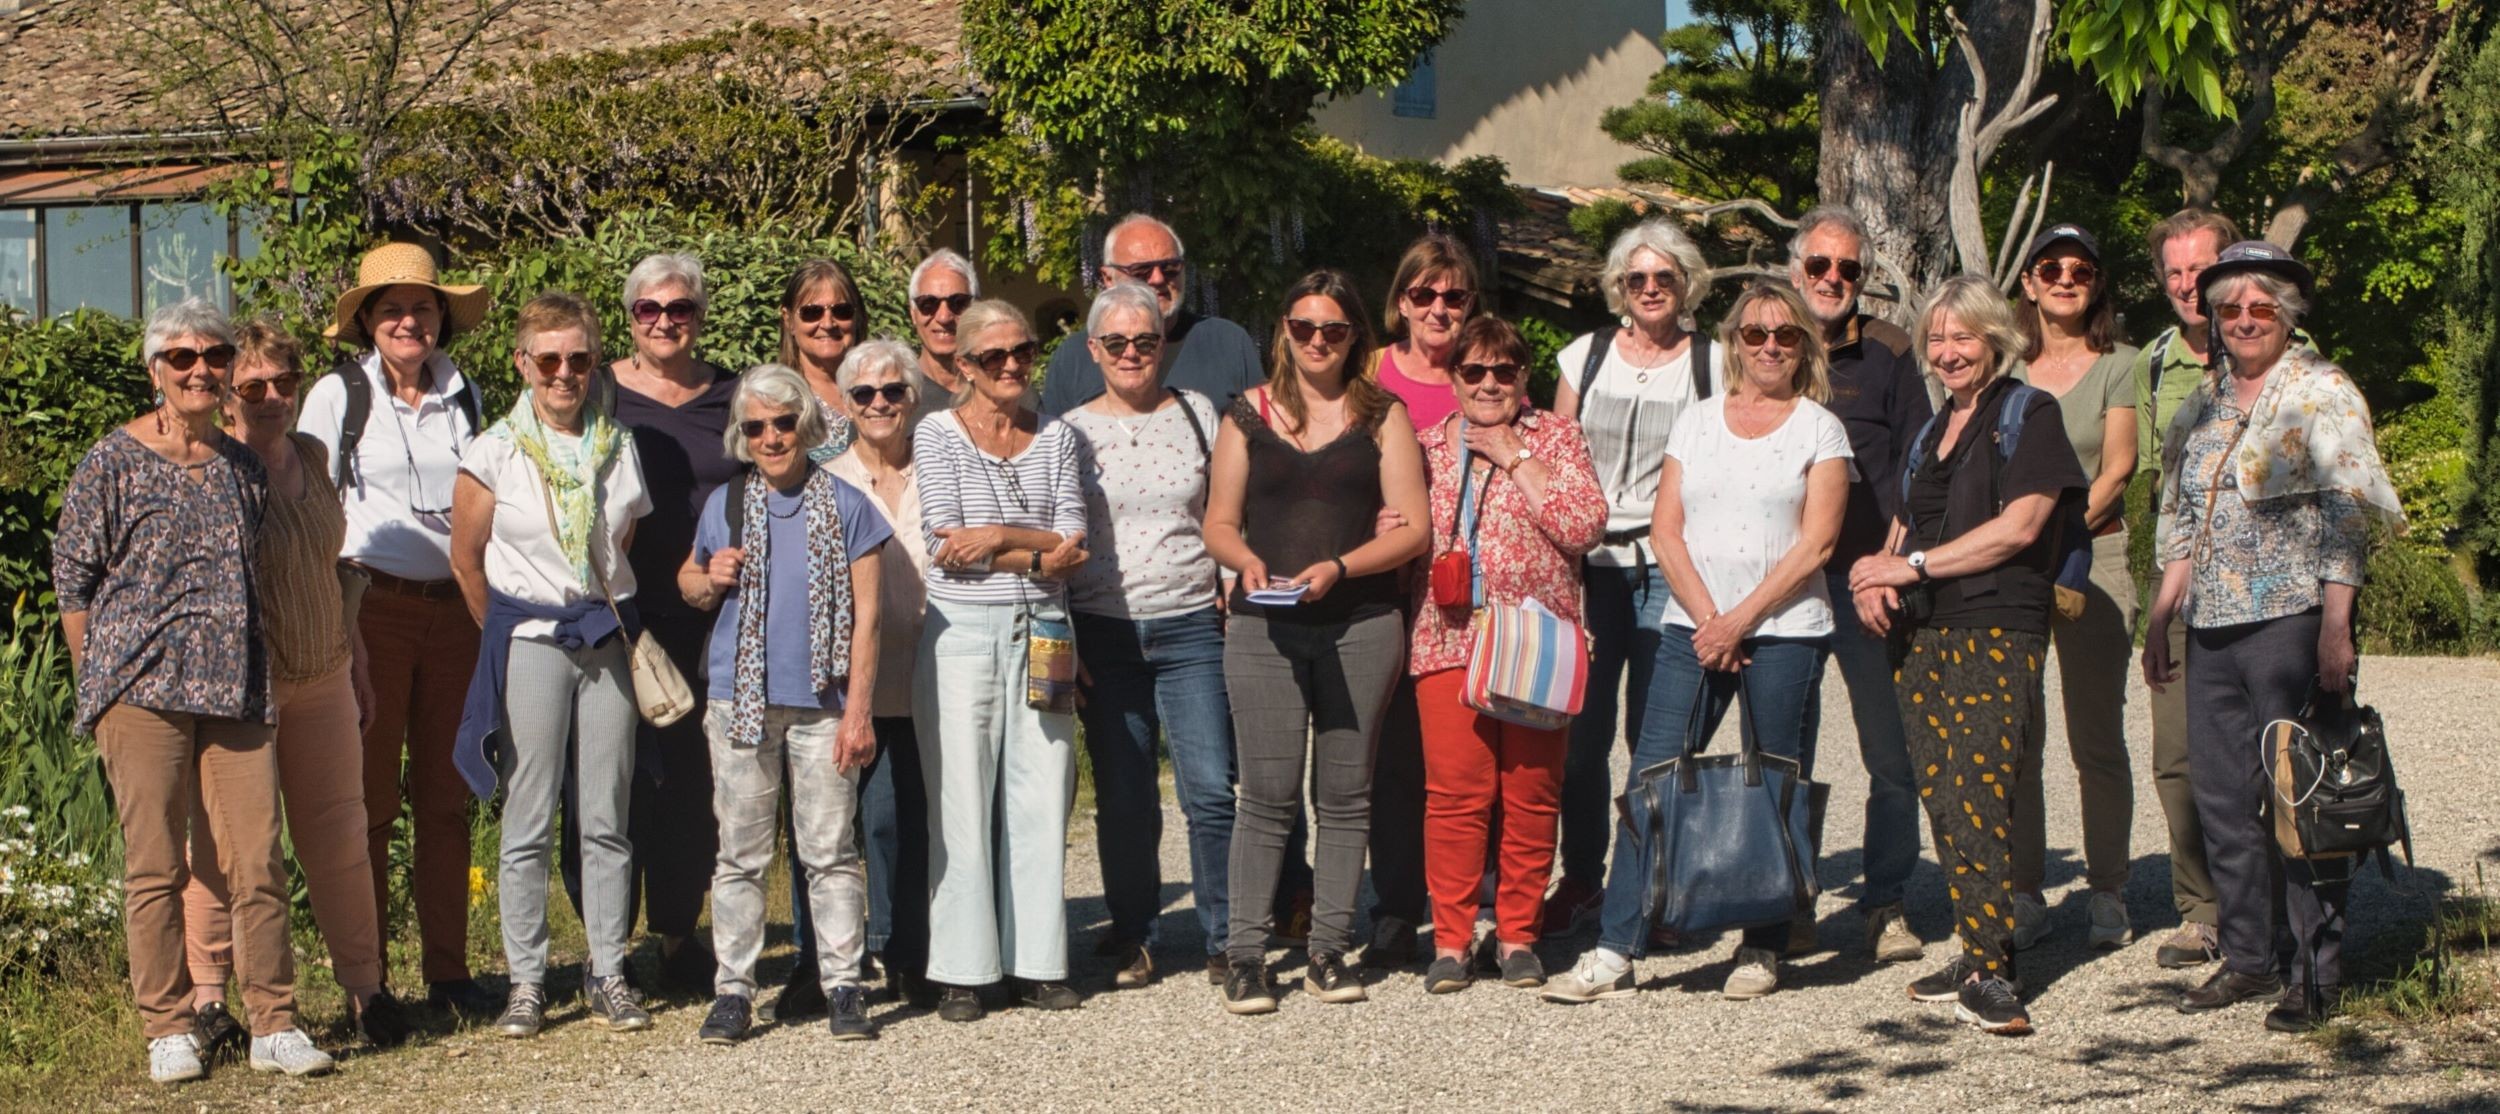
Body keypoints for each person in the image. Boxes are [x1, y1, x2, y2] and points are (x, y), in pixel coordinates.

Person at [1543, 283, 1851, 1005]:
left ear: (1804, 345)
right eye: (1754, 334)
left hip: (1784, 632)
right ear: (1734, 341)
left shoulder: (1818, 429)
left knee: (1771, 783)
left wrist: (1739, 620)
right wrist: (1710, 618)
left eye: (1785, 335)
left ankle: (1764, 942)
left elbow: (1819, 544)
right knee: (1651, 779)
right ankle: (1617, 945)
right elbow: (1665, 530)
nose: (1769, 346)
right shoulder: (1698, 422)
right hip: (1691, 627)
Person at [55, 299, 334, 1083]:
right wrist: (99, 685)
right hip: (139, 692)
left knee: (258, 861)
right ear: (155, 372)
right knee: (155, 866)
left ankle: (274, 1021)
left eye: (213, 356)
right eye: (181, 359)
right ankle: (167, 1025)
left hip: (236, 691)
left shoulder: (242, 469)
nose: (200, 370)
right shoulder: (111, 462)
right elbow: (73, 581)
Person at [2145, 242, 2405, 1032]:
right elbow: (2182, 518)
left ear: (2287, 315)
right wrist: (2160, 617)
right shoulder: (2208, 402)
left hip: (2290, 623)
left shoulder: (2321, 389)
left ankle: (2314, 973)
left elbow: (2348, 510)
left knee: (2302, 803)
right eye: (2231, 309)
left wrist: (2336, 625)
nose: (2246, 320)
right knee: (2223, 800)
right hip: (2211, 626)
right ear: (2214, 320)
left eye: (2263, 308)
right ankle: (2251, 959)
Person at [1847, 275, 2088, 1036]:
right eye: (1938, 339)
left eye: (1964, 337)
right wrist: (1869, 578)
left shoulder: (2028, 413)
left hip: (1997, 624)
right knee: (1943, 794)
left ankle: (1992, 967)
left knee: (1982, 790)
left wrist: (1910, 568)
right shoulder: (1929, 432)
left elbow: (2021, 527)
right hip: (1922, 632)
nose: (1949, 352)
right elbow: (1899, 530)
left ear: (1995, 339)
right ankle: (1975, 943)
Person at [1204, 269, 1430, 1014]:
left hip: (1359, 621)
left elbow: (1414, 528)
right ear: (1284, 333)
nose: (1317, 342)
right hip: (1265, 623)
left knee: (1345, 794)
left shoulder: (1382, 416)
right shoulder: (1247, 415)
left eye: (1333, 329)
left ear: (1355, 335)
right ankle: (1245, 956)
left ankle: (1329, 950)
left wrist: (1341, 566)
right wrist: (1244, 562)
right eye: (1303, 328)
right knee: (1264, 795)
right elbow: (1219, 523)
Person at [182, 322, 408, 1061]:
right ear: (226, 397)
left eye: (284, 381)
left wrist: (360, 659)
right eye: (253, 385)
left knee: (342, 835)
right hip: (245, 690)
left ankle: (366, 990)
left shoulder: (311, 456)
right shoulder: (213, 469)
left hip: (325, 674)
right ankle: (211, 1000)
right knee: (229, 852)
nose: (273, 396)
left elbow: (331, 565)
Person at [296, 242, 496, 1017]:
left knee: (447, 796)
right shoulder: (336, 398)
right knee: (369, 800)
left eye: (420, 306)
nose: (408, 321)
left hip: (454, 608)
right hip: (370, 609)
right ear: (367, 324)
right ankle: (368, 983)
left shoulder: (465, 393)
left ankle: (449, 974)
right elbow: (309, 504)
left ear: (442, 315)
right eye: (391, 309)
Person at [449, 292, 654, 1038]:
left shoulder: (618, 444)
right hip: (531, 638)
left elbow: (620, 543)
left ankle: (607, 969)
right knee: (529, 816)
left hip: (604, 637)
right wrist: (510, 630)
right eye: (549, 359)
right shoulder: (493, 450)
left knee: (606, 812)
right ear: (522, 363)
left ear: (595, 362)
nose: (564, 374)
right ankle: (527, 980)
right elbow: (466, 559)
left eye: (579, 359)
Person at [678, 364, 891, 1045]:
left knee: (829, 852)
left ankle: (844, 987)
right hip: (738, 703)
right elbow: (690, 579)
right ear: (743, 435)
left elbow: (870, 620)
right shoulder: (728, 502)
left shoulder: (850, 504)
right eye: (756, 426)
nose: (771, 437)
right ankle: (734, 992)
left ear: (806, 424)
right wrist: (705, 576)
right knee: (739, 855)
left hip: (825, 706)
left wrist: (859, 713)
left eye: (783, 423)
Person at [1408, 316, 1606, 995]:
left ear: (1525, 376)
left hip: (1536, 640)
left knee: (1530, 793)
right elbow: (1403, 529)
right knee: (1456, 797)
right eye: (1474, 371)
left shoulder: (1556, 436)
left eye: (1505, 370)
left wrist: (1514, 456)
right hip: (1449, 636)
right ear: (1454, 376)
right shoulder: (1425, 446)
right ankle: (1453, 941)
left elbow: (1584, 526)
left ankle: (1519, 934)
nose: (1489, 383)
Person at [911, 299, 1092, 1023]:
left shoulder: (1057, 436)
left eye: (1023, 352)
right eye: (995, 357)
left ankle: (1039, 962)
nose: (1013, 366)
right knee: (960, 793)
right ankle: (962, 969)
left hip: (1045, 627)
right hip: (961, 633)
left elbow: (1072, 544)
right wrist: (1027, 547)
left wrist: (996, 535)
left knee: (1042, 791)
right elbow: (946, 546)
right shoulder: (937, 433)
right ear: (964, 367)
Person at [1058, 282, 1238, 989]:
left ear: (1164, 344)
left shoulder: (1199, 415)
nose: (1132, 354)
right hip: (1105, 630)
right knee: (1126, 797)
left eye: (1146, 341)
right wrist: (1065, 640)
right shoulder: (1066, 431)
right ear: (1094, 350)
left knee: (1210, 789)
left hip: (1191, 623)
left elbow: (1228, 511)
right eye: (1117, 343)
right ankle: (1135, 931)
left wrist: (1229, 584)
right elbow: (1060, 536)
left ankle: (1226, 936)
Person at [1545, 216, 1714, 938]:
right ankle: (1583, 874)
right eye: (1638, 278)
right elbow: (1554, 461)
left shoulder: (1712, 362)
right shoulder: (1583, 357)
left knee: (1660, 733)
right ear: (1619, 286)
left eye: (1664, 277)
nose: (1651, 289)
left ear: (1686, 285)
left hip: (1669, 561)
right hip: (1591, 565)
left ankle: (1655, 882)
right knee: (1581, 732)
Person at [1786, 207, 1932, 963]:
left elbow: (1919, 465)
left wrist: (1889, 566)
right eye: (1820, 267)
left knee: (1891, 752)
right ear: (1796, 270)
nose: (1834, 280)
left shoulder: (1889, 350)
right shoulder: (1761, 342)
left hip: (1861, 579)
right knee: (1783, 748)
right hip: (1781, 582)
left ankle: (1885, 903)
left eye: (1849, 269)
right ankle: (1788, 903)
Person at [598, 253, 739, 992]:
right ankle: (605, 946)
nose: (663, 321)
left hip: (705, 616)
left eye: (678, 308)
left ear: (699, 316)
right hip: (612, 613)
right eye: (648, 310)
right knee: (609, 781)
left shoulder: (731, 395)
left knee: (690, 783)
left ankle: (680, 936)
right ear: (630, 319)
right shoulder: (599, 391)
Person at [2006, 223, 2142, 952]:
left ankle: (2109, 889)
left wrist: (2051, 536)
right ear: (2028, 282)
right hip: (2011, 566)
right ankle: (2025, 891)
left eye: (2081, 269)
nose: (2065, 279)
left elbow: (2117, 468)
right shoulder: (2005, 365)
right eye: (2051, 267)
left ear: (2096, 284)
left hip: (2096, 555)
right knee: (2020, 736)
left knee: (2097, 736)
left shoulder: (2121, 363)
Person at [1358, 231, 1480, 967]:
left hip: (1459, 598)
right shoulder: (1366, 376)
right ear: (1400, 300)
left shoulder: (1486, 373)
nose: (1439, 308)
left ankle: (1468, 904)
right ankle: (1397, 907)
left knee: (1463, 761)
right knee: (1392, 759)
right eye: (1424, 294)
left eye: (1454, 296)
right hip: (1380, 589)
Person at [2130, 208, 2243, 970]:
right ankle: (2202, 909)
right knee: (2177, 758)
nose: (2186, 284)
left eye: (2200, 268)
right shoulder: (2154, 363)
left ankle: (2269, 905)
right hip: (2176, 588)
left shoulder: (2288, 351)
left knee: (2262, 753)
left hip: (2266, 594)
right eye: (2173, 271)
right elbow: (2148, 484)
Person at [824, 341, 936, 1009]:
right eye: (864, 394)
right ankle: (883, 944)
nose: (879, 404)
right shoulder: (828, 479)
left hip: (939, 668)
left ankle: (922, 950)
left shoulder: (943, 468)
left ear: (912, 398)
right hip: (862, 678)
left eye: (892, 391)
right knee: (880, 819)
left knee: (930, 818)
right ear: (844, 403)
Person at [1038, 213, 1265, 416]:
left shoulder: (1227, 341)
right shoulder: (1073, 357)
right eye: (1141, 271)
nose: (1157, 279)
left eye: (1170, 268)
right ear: (1107, 278)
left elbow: (1261, 439)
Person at [777, 258, 866, 458]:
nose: (827, 323)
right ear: (789, 319)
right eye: (811, 312)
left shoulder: (884, 392)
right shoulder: (776, 400)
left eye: (841, 311)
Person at [905, 249, 979, 423]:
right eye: (928, 304)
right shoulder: (891, 396)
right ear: (913, 313)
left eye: (958, 303)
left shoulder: (1004, 389)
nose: (944, 317)